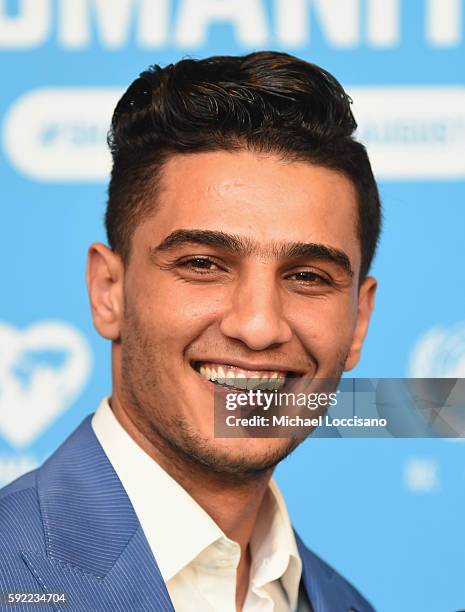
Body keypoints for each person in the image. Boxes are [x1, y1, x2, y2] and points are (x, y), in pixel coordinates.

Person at [0, 51, 380, 612]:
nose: (258, 327)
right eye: (203, 264)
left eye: (306, 276)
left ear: (358, 321)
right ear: (109, 291)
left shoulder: (345, 603)